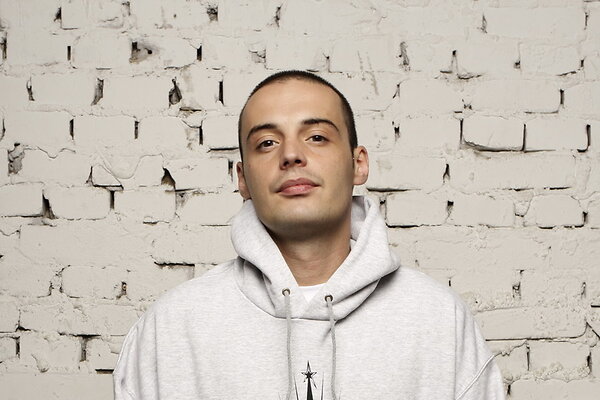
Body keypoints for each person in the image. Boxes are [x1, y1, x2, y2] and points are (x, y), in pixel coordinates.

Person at [113, 70, 506, 399]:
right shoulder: (170, 328)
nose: (290, 154)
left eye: (316, 136)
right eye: (267, 143)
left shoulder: (439, 321)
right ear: (242, 178)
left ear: (358, 164)